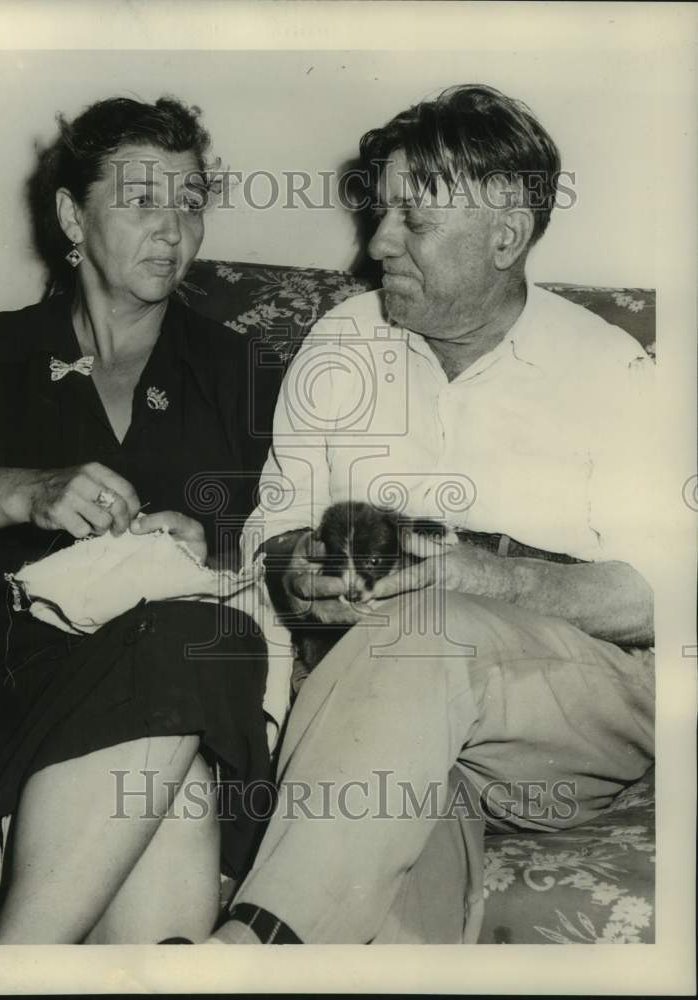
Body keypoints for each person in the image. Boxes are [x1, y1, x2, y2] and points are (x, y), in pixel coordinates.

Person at [206, 84, 656, 945]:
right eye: (381, 215)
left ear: (505, 235)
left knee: (426, 629)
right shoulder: (343, 342)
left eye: (412, 221)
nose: (377, 244)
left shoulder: (610, 371)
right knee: (394, 837)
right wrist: (299, 574)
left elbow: (659, 596)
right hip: (383, 707)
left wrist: (495, 579)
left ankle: (247, 949)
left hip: (567, 708)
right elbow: (273, 533)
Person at [0, 96, 281, 944]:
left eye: (189, 201)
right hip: (23, 671)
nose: (173, 228)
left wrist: (213, 542)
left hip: (193, 671)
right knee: (180, 729)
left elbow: (296, 534)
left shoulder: (238, 367)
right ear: (72, 213)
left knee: (189, 655)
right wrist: (23, 491)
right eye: (142, 201)